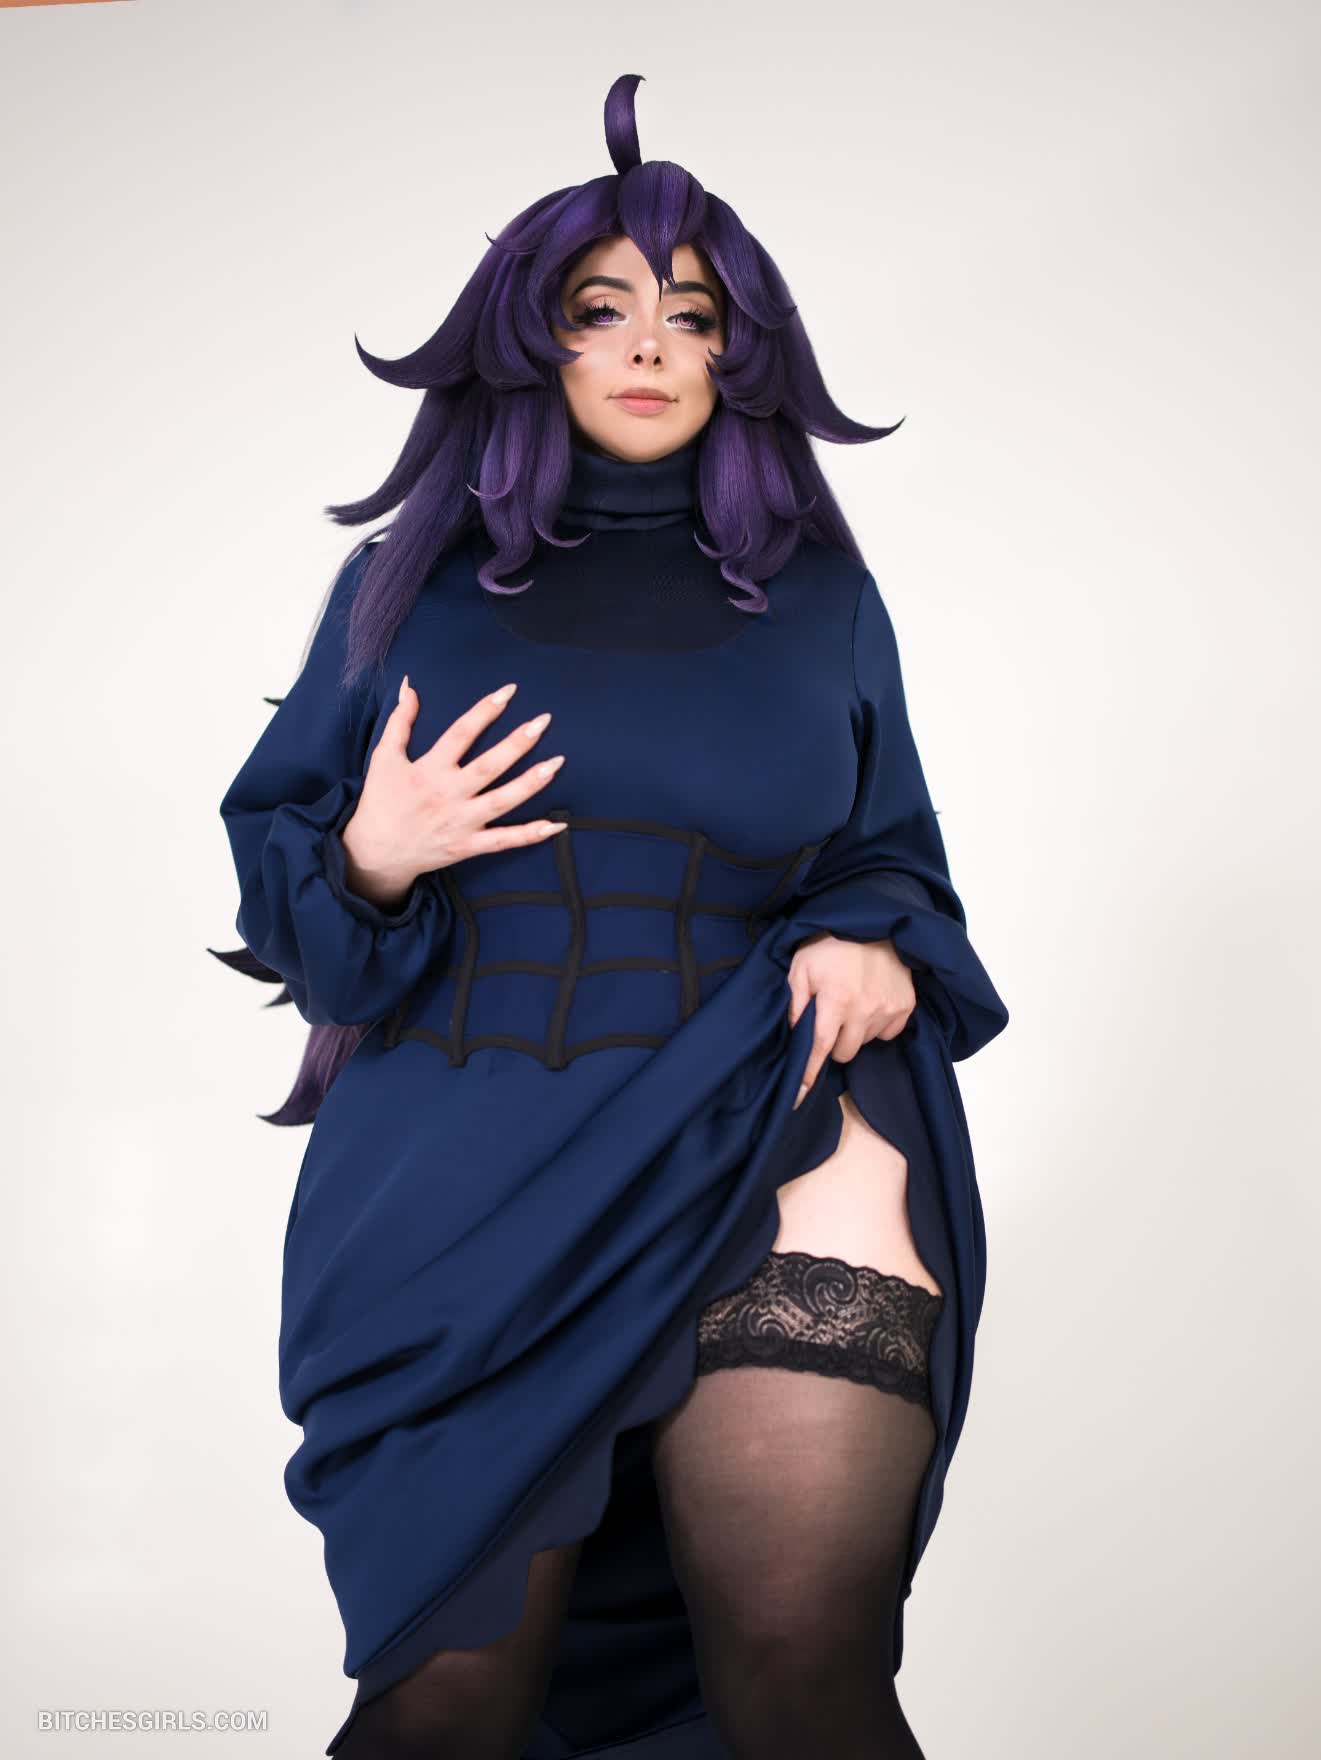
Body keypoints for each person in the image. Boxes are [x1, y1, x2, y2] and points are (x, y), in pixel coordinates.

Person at [214, 72, 1008, 1760]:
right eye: (600, 308)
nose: (649, 342)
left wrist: (868, 925)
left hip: (775, 1116)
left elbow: (894, 848)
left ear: (736, 356)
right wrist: (376, 853)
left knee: (802, 1669)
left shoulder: (820, 599)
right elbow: (304, 925)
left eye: (691, 314)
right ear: (533, 339)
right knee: (446, 1699)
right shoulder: (401, 592)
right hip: (463, 1173)